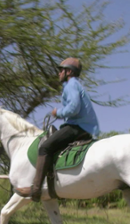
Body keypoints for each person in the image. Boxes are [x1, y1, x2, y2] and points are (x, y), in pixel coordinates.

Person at [30, 57, 100, 202]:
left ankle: (36, 190)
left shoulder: (71, 85)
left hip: (78, 127)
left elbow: (74, 108)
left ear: (68, 72)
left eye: (61, 70)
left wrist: (58, 112)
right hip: (84, 126)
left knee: (44, 147)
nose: (59, 73)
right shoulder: (74, 85)